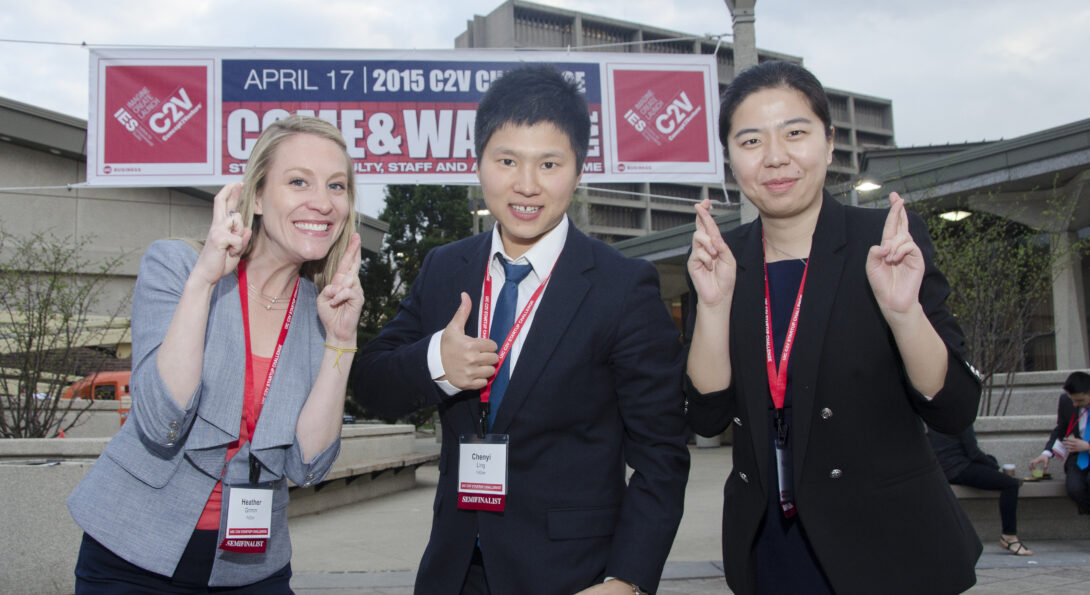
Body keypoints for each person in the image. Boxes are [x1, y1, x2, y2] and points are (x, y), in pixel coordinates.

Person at [350, 64, 690, 595]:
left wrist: (627, 579)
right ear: (479, 163)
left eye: (549, 163)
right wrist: (437, 361)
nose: (526, 185)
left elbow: (661, 456)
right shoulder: (446, 268)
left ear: (579, 169)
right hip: (455, 570)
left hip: (573, 575)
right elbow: (370, 383)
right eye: (507, 160)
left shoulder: (623, 287)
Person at [684, 60, 983, 595]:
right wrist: (712, 306)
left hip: (888, 547)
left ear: (829, 141)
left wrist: (903, 313)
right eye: (750, 141)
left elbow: (953, 406)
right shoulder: (721, 261)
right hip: (772, 550)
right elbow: (706, 417)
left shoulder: (885, 241)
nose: (775, 157)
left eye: (795, 133)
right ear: (730, 157)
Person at [67, 115, 364, 593]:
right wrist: (204, 283)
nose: (323, 202)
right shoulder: (180, 267)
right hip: (132, 555)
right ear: (258, 197)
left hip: (252, 568)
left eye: (336, 185)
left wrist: (342, 341)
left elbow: (307, 465)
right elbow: (161, 417)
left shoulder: (323, 309)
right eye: (298, 181)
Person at [928, 426, 1032, 555]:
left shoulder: (937, 417)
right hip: (959, 468)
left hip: (945, 469)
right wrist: (995, 467)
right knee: (1010, 484)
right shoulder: (960, 418)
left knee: (991, 461)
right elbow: (973, 453)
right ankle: (1009, 537)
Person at [1029, 371, 1090, 514]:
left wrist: (1087, 446)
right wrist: (1047, 453)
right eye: (1072, 400)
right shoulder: (1066, 402)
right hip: (1079, 458)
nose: (1075, 404)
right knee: (1075, 488)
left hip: (1085, 449)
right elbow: (1061, 429)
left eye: (1080, 401)